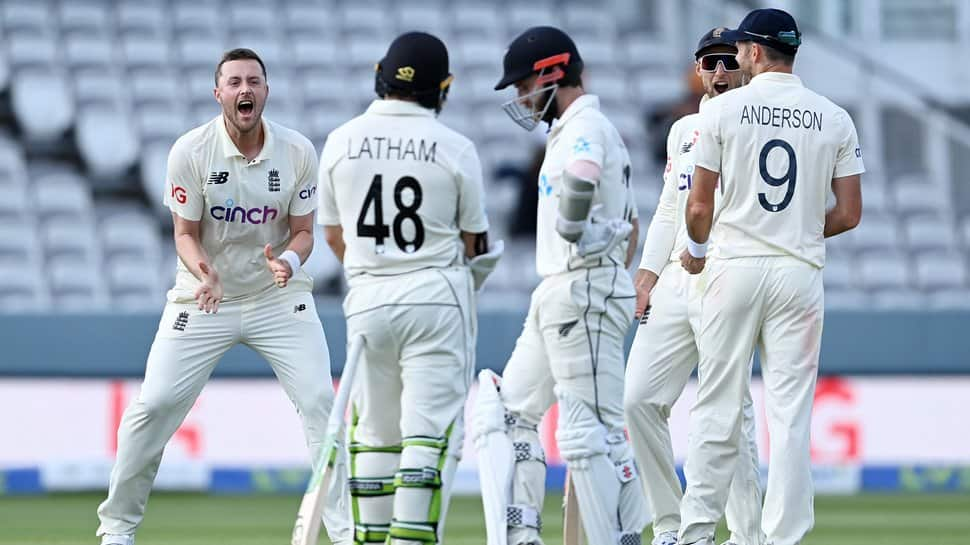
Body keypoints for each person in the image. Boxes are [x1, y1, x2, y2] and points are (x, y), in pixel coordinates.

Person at [95, 48, 352, 545]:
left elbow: (303, 233)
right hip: (204, 296)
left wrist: (290, 263)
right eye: (234, 82)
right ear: (219, 94)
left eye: (253, 81)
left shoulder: (297, 151)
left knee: (323, 402)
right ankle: (117, 531)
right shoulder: (190, 152)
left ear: (266, 91)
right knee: (155, 404)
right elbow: (185, 233)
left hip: (277, 297)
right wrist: (206, 273)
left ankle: (344, 534)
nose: (245, 90)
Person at [677, 9, 864, 545]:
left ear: (755, 53)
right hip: (799, 274)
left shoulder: (723, 110)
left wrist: (695, 250)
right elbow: (849, 213)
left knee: (717, 404)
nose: (734, 58)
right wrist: (798, 231)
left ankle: (693, 534)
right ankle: (782, 538)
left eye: (740, 50)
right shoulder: (833, 116)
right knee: (789, 416)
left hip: (733, 266)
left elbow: (698, 205)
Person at [316, 32, 499, 545]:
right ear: (443, 88)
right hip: (436, 298)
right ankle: (411, 540)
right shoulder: (456, 147)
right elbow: (473, 241)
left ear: (381, 74)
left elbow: (334, 234)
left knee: (374, 432)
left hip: (368, 299)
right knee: (428, 433)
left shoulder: (340, 140)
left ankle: (371, 538)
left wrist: (375, 268)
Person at [473, 26, 646, 545]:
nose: (522, 98)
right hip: (561, 291)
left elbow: (584, 175)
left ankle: (624, 537)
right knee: (510, 414)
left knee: (591, 433)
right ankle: (523, 536)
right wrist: (604, 253)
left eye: (525, 85)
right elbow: (631, 225)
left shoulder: (586, 125)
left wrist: (579, 235)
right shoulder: (566, 129)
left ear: (552, 73)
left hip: (582, 293)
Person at [623, 28, 764, 545]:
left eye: (730, 62)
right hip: (679, 277)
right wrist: (646, 274)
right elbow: (669, 206)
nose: (721, 73)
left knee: (730, 410)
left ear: (748, 65)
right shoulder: (683, 130)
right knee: (638, 399)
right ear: (698, 69)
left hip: (729, 272)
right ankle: (670, 525)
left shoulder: (756, 124)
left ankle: (748, 534)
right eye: (711, 63)